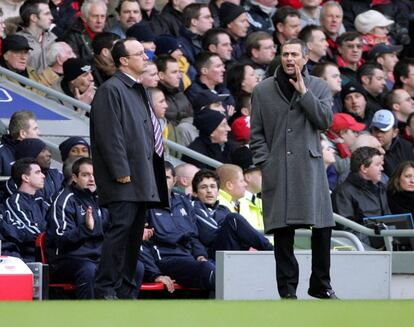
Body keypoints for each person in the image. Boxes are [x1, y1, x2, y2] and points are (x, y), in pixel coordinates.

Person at [250, 38, 337, 299]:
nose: (290, 59)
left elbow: (324, 121)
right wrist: (266, 161)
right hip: (278, 168)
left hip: (310, 169)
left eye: (295, 55)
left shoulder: (319, 86)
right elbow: (256, 134)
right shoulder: (262, 90)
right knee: (282, 233)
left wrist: (304, 93)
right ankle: (287, 291)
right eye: (285, 54)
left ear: (305, 58)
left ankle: (320, 285)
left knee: (322, 227)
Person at [90, 38, 168, 299]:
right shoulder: (111, 89)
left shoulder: (137, 88)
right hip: (124, 177)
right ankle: (105, 288)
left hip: (141, 176)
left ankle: (124, 289)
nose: (145, 57)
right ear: (124, 60)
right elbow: (109, 134)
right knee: (120, 232)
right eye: (139, 54)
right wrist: (120, 170)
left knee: (134, 236)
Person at [46, 157, 109, 299]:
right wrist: (85, 229)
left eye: (95, 174)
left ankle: (125, 316)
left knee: (135, 268)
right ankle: (88, 317)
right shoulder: (64, 200)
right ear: (75, 178)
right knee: (89, 270)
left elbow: (111, 231)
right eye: (86, 175)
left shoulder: (102, 199)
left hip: (97, 257)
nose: (92, 179)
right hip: (67, 259)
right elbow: (61, 240)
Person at [1, 158, 47, 262]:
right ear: (25, 177)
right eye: (38, 172)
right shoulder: (15, 202)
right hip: (29, 258)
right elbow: (33, 231)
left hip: (47, 255)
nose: (43, 176)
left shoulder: (42, 202)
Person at [370, 109, 414, 177]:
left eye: (383, 131)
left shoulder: (406, 147)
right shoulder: (367, 151)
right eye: (376, 129)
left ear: (395, 132)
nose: (378, 134)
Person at [16, 0, 56, 73]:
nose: (51, 17)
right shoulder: (18, 41)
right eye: (47, 14)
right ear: (34, 18)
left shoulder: (51, 38)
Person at [0, 110, 40, 176]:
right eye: (35, 129)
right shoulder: (1, 155)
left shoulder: (38, 153)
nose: (39, 133)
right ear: (22, 134)